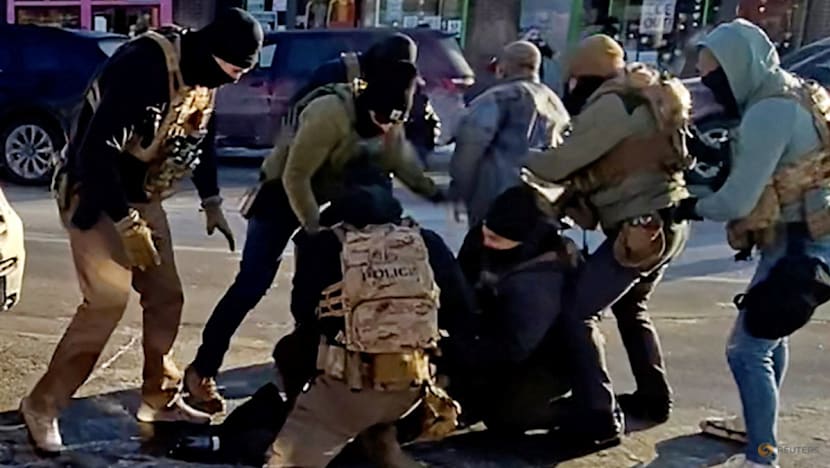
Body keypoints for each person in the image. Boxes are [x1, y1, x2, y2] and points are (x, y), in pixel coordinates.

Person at [19, 8, 263, 454]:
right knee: (106, 302)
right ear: (214, 52)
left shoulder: (202, 74)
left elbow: (199, 134)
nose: (231, 81)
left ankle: (158, 398)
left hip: (142, 195)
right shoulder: (144, 67)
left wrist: (211, 199)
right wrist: (124, 221)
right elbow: (95, 151)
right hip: (94, 191)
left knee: (167, 295)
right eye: (231, 71)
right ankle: (42, 405)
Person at [185, 59, 445, 415]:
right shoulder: (329, 114)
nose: (386, 127)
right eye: (381, 119)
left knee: (328, 289)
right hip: (283, 194)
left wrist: (434, 192)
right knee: (251, 285)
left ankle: (309, 370)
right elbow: (295, 177)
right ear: (367, 104)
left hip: (330, 195)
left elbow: (400, 161)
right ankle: (202, 369)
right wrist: (314, 230)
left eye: (393, 121)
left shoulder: (388, 118)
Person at [673, 19, 830, 468]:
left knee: (747, 350)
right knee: (770, 337)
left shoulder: (769, 111)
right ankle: (754, 423)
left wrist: (688, 206)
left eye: (714, 76)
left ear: (739, 68)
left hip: (800, 245)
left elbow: (737, 199)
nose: (709, 85)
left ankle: (762, 456)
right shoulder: (797, 91)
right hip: (805, 236)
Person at [523, 34, 692, 446]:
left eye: (573, 78)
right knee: (632, 308)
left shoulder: (614, 105)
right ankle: (654, 397)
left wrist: (518, 156)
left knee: (577, 312)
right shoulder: (645, 96)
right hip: (666, 223)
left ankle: (598, 416)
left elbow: (559, 163)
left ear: (584, 75)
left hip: (640, 229)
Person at [263, 184, 464, 468]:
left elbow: (304, 314)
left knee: (289, 354)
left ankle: (337, 434)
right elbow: (461, 313)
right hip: (415, 390)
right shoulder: (425, 242)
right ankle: (382, 440)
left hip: (346, 391)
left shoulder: (326, 244)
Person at [443, 185, 577, 432]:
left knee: (507, 416)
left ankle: (580, 412)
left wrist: (453, 350)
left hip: (544, 356)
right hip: (489, 334)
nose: (486, 241)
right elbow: (459, 286)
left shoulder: (541, 279)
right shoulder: (484, 235)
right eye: (486, 232)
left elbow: (513, 347)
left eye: (495, 239)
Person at [450, 40, 570, 227]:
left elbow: (470, 148)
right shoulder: (556, 104)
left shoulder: (497, 98)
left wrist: (459, 191)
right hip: (546, 199)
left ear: (503, 67)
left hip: (495, 198)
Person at [289, 33, 439, 169]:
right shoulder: (339, 73)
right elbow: (302, 115)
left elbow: (426, 125)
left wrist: (413, 157)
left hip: (372, 167)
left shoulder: (406, 84)